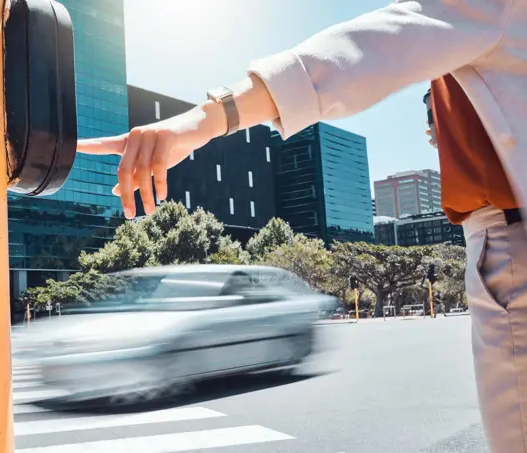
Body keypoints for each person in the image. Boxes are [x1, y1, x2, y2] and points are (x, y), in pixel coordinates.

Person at [77, 2, 527, 451]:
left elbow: (368, 49)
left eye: (436, 106)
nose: (433, 125)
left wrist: (204, 121)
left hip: (509, 241)